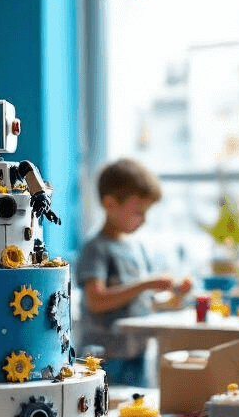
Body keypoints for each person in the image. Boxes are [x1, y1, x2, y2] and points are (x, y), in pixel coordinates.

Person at [77, 158, 191, 387]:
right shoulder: (96, 247)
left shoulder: (136, 247)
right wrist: (145, 284)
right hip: (105, 357)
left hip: (136, 353)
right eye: (138, 213)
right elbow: (96, 300)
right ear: (110, 204)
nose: (144, 220)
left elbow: (145, 303)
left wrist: (176, 295)